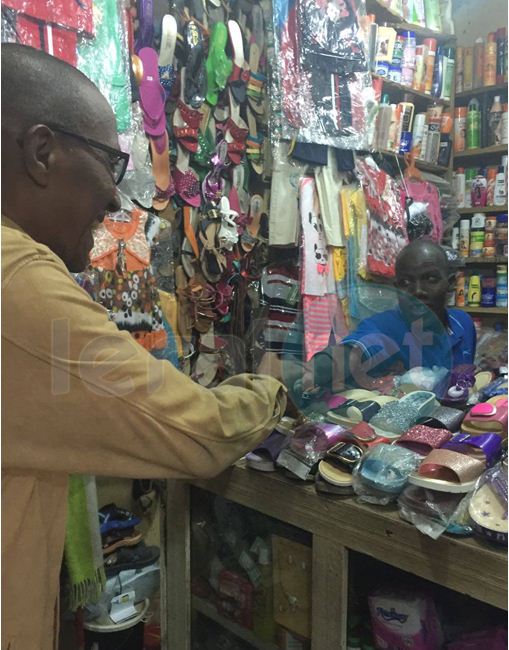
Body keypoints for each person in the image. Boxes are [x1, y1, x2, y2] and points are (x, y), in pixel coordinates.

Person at [1, 43, 286, 650]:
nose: (113, 197)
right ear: (42, 153)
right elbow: (202, 434)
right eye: (110, 162)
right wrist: (272, 389)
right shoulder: (17, 283)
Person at [260, 239, 476, 396]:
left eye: (430, 279)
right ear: (397, 288)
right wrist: (314, 369)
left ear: (449, 283)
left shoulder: (463, 324)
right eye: (406, 282)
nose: (418, 290)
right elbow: (351, 352)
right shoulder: (384, 327)